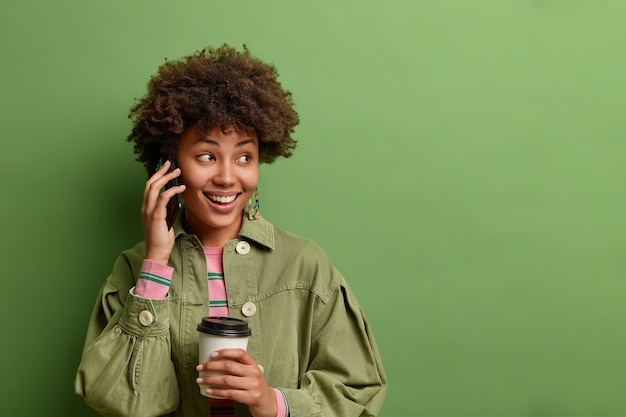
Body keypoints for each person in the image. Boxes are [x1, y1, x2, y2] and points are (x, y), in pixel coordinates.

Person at [75, 44, 387, 417]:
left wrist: (272, 402)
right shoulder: (134, 268)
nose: (226, 177)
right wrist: (156, 262)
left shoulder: (304, 265)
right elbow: (121, 400)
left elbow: (358, 388)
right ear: (170, 166)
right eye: (207, 156)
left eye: (244, 157)